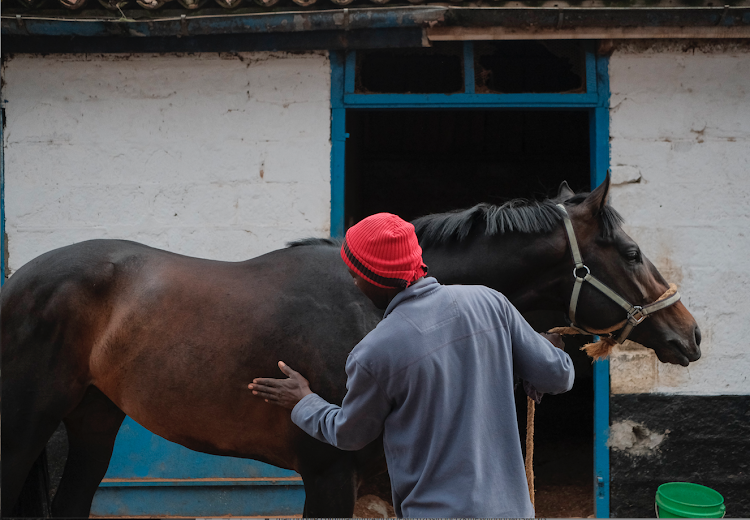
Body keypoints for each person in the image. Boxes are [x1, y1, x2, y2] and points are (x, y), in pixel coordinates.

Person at [248, 212, 574, 518]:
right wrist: (542, 348)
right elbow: (558, 376)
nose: (354, 283)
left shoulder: (374, 352)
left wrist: (303, 401)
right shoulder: (489, 302)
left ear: (373, 279)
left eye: (354, 275)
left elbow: (350, 434)